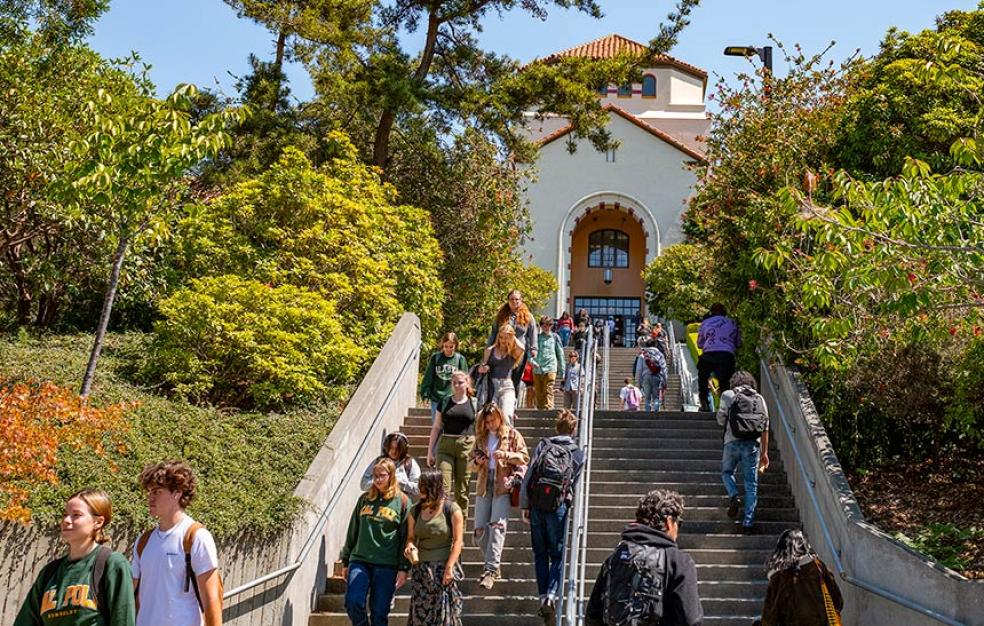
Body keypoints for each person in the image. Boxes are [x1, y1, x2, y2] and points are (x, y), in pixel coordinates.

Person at [15, 489, 135, 626]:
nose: (66, 520)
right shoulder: (50, 572)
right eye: (65, 515)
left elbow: (123, 620)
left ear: (98, 522)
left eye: (76, 515)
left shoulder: (111, 564)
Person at [585, 489, 703, 626]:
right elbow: (691, 619)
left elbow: (593, 614)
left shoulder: (616, 556)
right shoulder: (679, 561)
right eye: (679, 523)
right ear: (669, 522)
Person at [132, 461, 222, 626]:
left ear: (177, 493)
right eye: (149, 492)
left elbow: (211, 599)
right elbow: (134, 597)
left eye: (157, 492)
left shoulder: (196, 537)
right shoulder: (143, 541)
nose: (150, 498)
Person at [520, 410, 585, 623]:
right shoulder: (577, 453)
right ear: (574, 430)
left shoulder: (544, 445)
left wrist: (524, 504)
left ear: (556, 428)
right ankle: (551, 595)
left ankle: (542, 597)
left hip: (537, 504)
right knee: (557, 555)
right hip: (558, 507)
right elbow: (573, 484)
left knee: (540, 553)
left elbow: (530, 473)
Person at [342, 457, 411, 626]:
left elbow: (406, 538)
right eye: (375, 476)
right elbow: (353, 530)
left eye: (382, 475)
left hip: (386, 564)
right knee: (353, 602)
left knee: (380, 613)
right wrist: (346, 560)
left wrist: (403, 568)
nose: (378, 479)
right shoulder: (365, 499)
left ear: (391, 476)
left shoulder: (402, 501)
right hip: (360, 560)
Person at [469, 403, 529, 590]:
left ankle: (490, 570)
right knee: (479, 532)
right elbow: (470, 465)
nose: (489, 425)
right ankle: (494, 562)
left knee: (497, 527)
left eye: (492, 421)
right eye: (486, 422)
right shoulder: (481, 438)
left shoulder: (512, 434)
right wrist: (477, 462)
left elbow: (524, 457)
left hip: (503, 486)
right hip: (483, 485)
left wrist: (506, 454)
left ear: (500, 418)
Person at [403, 469, 465, 626]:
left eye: (424, 487)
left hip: (443, 569)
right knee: (420, 617)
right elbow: (410, 538)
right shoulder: (415, 510)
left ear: (434, 487)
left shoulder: (451, 509)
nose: (421, 490)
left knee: (443, 618)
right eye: (420, 486)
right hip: (421, 570)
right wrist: (410, 547)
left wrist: (450, 567)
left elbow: (458, 541)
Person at [716, 371, 770, 533]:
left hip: (731, 442)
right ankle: (748, 522)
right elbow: (765, 427)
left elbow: (720, 419)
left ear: (734, 383)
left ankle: (733, 496)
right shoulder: (759, 399)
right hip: (753, 445)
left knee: (726, 472)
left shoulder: (728, 395)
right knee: (751, 485)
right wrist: (764, 453)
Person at [754, 530, 843, 626]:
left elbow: (770, 619)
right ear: (804, 545)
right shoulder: (818, 567)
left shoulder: (778, 577)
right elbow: (838, 602)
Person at [427, 371, 476, 513]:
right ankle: (445, 528)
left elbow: (479, 428)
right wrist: (430, 451)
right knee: (443, 490)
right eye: (454, 383)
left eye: (460, 382)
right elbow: (436, 427)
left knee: (462, 492)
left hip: (466, 447)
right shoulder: (444, 401)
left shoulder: (474, 402)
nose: (457, 385)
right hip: (445, 446)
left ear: (467, 383)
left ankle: (461, 529)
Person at [487, 290, 538, 389]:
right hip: (502, 350)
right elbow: (493, 333)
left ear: (521, 300)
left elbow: (533, 333)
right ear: (508, 301)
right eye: (512, 299)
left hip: (518, 352)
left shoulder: (528, 316)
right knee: (500, 377)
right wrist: (488, 348)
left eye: (517, 299)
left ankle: (513, 401)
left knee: (515, 380)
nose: (514, 301)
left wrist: (534, 348)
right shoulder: (501, 316)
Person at [697, 303, 741, 412]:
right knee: (725, 380)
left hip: (709, 354)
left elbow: (700, 343)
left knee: (703, 376)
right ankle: (726, 405)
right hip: (726, 354)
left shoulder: (705, 323)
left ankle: (704, 402)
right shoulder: (732, 322)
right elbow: (738, 343)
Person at [478, 324, 524, 424]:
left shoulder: (512, 352)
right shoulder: (490, 350)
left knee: (506, 416)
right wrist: (484, 368)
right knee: (492, 418)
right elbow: (481, 367)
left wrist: (512, 335)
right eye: (501, 337)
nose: (503, 340)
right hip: (491, 387)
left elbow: (522, 348)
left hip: (507, 386)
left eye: (506, 338)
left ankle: (508, 438)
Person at [420, 332, 469, 422]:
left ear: (456, 346)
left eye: (451, 347)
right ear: (442, 345)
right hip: (436, 397)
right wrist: (425, 395)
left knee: (450, 425)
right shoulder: (436, 358)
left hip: (452, 398)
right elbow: (428, 377)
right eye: (446, 346)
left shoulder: (460, 359)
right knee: (436, 425)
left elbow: (465, 380)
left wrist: (465, 396)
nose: (448, 349)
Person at [361, 432, 422, 502]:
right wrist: (379, 481)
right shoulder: (378, 462)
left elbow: (419, 489)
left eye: (398, 449)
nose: (394, 452)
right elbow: (363, 484)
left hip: (400, 503)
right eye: (391, 448)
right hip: (378, 502)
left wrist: (402, 483)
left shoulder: (409, 463)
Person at [533, 316, 566, 411]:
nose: (547, 327)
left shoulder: (555, 337)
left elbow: (560, 354)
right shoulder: (537, 338)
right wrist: (532, 361)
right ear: (541, 326)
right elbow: (530, 351)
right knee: (539, 392)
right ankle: (540, 411)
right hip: (537, 368)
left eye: (550, 325)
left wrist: (562, 370)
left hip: (550, 367)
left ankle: (549, 409)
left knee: (549, 389)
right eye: (545, 325)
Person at [635, 346, 667, 413]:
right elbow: (664, 368)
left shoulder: (642, 355)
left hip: (646, 377)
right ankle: (656, 411)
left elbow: (639, 370)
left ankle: (648, 413)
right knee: (656, 397)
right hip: (657, 377)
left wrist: (639, 382)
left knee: (647, 397)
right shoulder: (660, 355)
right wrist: (664, 380)